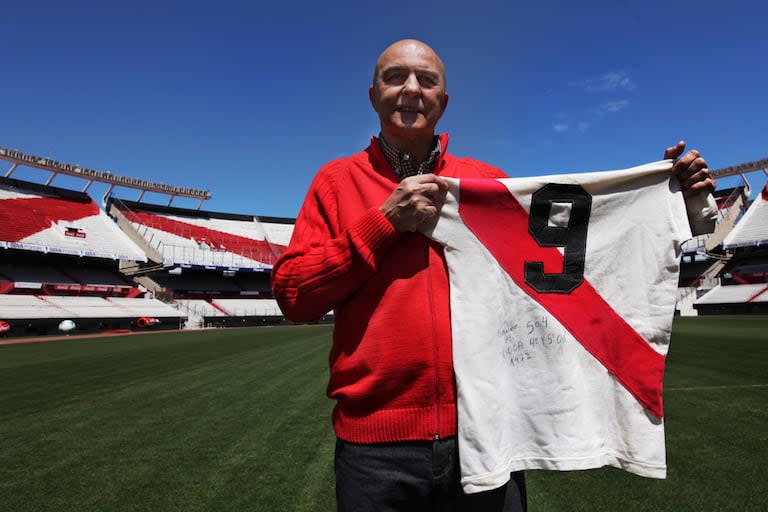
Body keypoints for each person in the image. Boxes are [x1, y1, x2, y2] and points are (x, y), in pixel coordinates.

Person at [272, 39, 715, 512]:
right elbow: (295, 297)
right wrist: (383, 224)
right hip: (375, 451)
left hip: (486, 436)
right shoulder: (336, 181)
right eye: (395, 77)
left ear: (444, 101)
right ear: (372, 94)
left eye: (427, 80)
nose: (411, 89)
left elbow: (570, 262)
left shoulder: (487, 184)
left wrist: (668, 196)